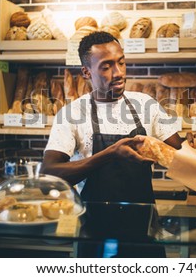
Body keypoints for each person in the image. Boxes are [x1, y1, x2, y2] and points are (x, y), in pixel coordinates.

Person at [41, 31, 187, 257]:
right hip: (94, 231)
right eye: (106, 66)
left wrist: (193, 145)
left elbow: (181, 153)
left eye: (121, 62)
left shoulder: (146, 105)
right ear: (86, 72)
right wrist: (110, 154)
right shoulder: (71, 114)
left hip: (143, 227)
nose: (119, 73)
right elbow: (50, 174)